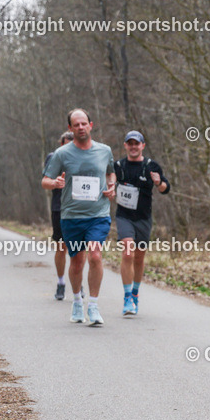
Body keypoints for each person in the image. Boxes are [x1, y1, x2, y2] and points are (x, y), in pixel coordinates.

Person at [41, 109, 115, 326]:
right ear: (70, 128)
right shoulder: (61, 154)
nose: (81, 127)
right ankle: (76, 302)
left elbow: (110, 172)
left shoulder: (104, 151)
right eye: (76, 125)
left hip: (98, 214)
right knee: (76, 262)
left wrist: (112, 186)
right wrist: (54, 183)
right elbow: (45, 180)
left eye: (84, 123)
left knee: (95, 256)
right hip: (71, 216)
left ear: (91, 125)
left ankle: (93, 306)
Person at [113, 130, 170, 316]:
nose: (133, 147)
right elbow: (108, 184)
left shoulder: (151, 166)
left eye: (136, 143)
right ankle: (127, 297)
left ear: (142, 146)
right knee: (128, 252)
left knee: (139, 257)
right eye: (130, 143)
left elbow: (165, 189)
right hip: (124, 216)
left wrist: (158, 182)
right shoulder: (118, 166)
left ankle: (135, 293)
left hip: (144, 218)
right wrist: (110, 189)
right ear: (125, 146)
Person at [44, 131, 74, 300]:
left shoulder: (84, 157)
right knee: (61, 248)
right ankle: (61, 282)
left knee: (78, 249)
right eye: (65, 144)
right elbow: (45, 181)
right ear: (61, 144)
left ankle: (77, 281)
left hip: (79, 209)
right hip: (59, 208)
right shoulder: (53, 157)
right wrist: (55, 183)